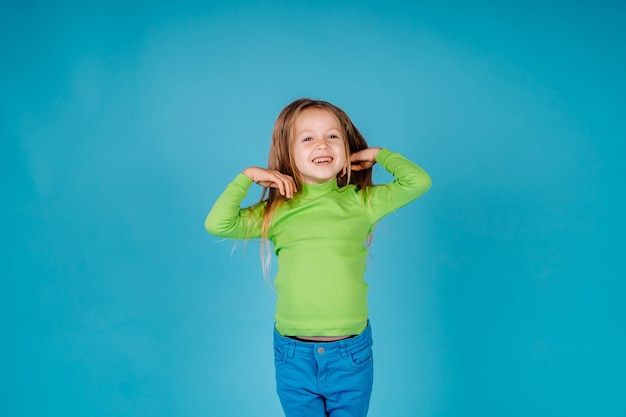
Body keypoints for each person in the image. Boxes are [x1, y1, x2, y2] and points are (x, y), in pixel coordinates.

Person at [204, 98, 431, 417]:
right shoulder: (277, 210)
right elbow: (218, 224)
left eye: (333, 136)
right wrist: (248, 177)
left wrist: (378, 155)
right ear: (288, 152)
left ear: (347, 146)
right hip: (293, 355)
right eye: (307, 138)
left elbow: (418, 181)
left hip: (350, 354)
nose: (322, 144)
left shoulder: (361, 202)